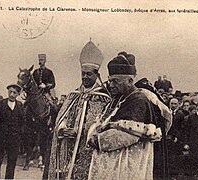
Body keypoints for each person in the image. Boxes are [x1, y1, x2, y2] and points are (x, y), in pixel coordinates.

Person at [87, 52, 162, 179]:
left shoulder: (138, 100)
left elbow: (128, 135)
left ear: (130, 81)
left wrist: (97, 140)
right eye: (110, 81)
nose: (110, 85)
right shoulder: (118, 98)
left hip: (127, 166)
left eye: (115, 81)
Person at [47, 40, 110, 179]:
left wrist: (80, 132)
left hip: (88, 152)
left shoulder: (103, 98)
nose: (85, 77)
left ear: (96, 75)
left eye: (89, 74)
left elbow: (102, 124)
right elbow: (61, 119)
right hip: (69, 149)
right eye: (83, 73)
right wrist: (63, 129)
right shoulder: (73, 95)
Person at [0, 83, 24, 179]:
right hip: (0, 138)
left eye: (14, 93)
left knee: (12, 162)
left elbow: (22, 122)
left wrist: (18, 135)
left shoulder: (20, 105)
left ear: (18, 94)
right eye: (10, 92)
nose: (12, 95)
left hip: (14, 139)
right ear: (8, 92)